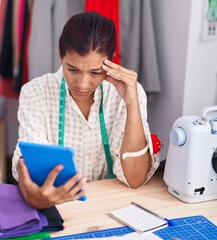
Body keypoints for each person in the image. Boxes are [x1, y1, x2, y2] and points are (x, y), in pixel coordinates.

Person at [11, 11, 160, 209]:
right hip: (58, 206)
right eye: (72, 69)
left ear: (111, 60)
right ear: (60, 54)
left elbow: (135, 179)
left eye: (95, 72)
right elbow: (27, 164)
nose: (82, 84)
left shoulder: (128, 93)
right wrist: (33, 196)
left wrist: (132, 104)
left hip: (110, 206)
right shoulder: (35, 92)